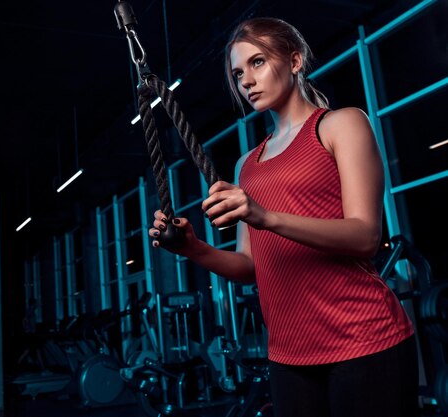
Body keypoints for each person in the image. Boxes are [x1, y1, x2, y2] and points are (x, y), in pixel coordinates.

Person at [149, 17, 417, 417]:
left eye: (257, 63)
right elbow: (249, 267)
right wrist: (192, 248)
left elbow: (365, 236)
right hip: (288, 356)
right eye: (239, 73)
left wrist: (264, 215)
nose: (247, 81)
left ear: (294, 61)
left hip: (364, 341)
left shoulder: (340, 124)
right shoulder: (247, 165)